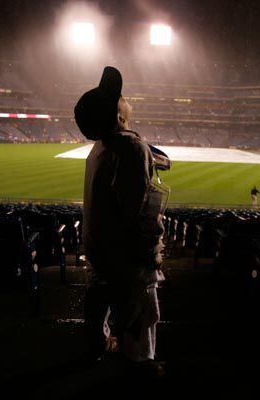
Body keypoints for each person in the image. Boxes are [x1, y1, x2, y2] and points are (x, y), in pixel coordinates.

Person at [76, 66, 167, 376]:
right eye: (118, 99)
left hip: (99, 250)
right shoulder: (130, 146)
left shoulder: (98, 148)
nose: (123, 99)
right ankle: (139, 365)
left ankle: (99, 345)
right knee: (144, 311)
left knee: (99, 299)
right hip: (124, 258)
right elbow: (136, 212)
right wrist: (148, 257)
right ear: (117, 116)